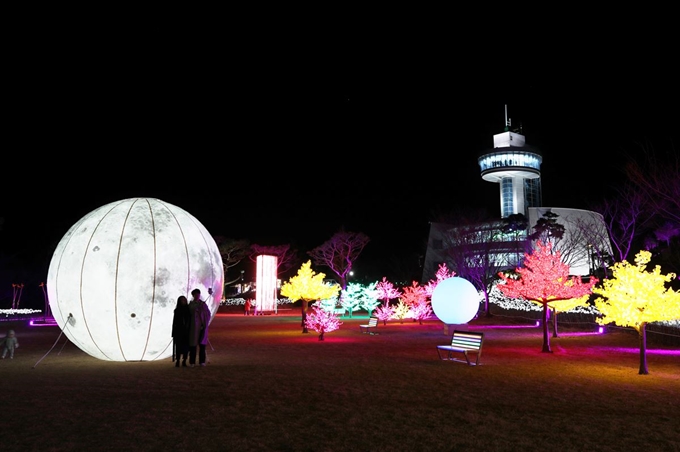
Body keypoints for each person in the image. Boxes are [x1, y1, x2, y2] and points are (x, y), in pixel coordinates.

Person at [188, 288, 211, 367]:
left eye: (198, 294)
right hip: (193, 328)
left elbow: (208, 314)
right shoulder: (191, 305)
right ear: (193, 295)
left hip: (202, 327)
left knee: (202, 345)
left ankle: (202, 361)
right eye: (195, 294)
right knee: (193, 345)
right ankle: (192, 362)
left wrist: (202, 311)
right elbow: (190, 314)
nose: (197, 296)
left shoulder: (203, 304)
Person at [172, 295, 191, 367]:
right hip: (179, 332)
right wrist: (173, 332)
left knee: (186, 347)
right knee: (178, 347)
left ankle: (184, 360)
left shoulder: (188, 310)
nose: (183, 301)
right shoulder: (177, 310)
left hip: (186, 332)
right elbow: (174, 322)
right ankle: (178, 360)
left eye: (184, 300)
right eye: (182, 300)